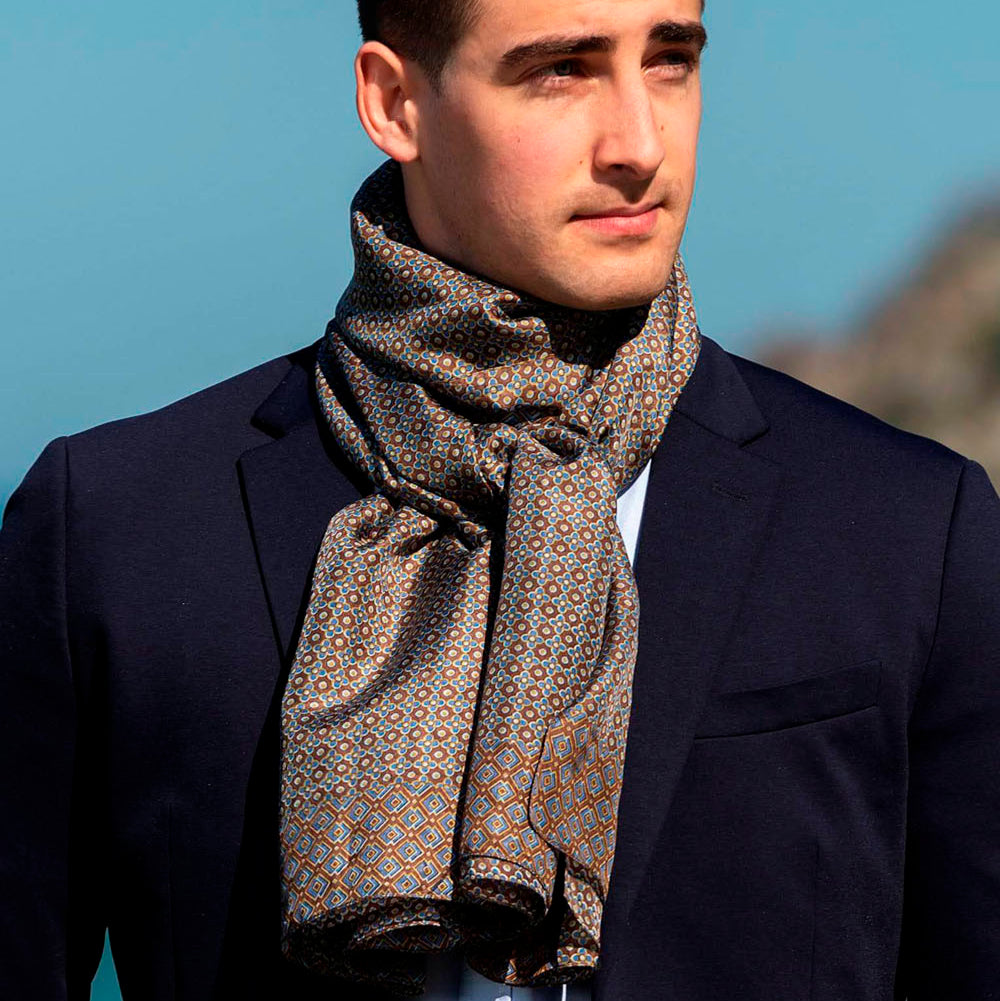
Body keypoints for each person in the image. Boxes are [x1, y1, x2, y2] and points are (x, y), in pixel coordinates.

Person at [1, 0, 998, 998]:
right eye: (560, 70)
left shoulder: (909, 531)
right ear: (394, 102)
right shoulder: (117, 529)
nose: (639, 143)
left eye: (669, 60)